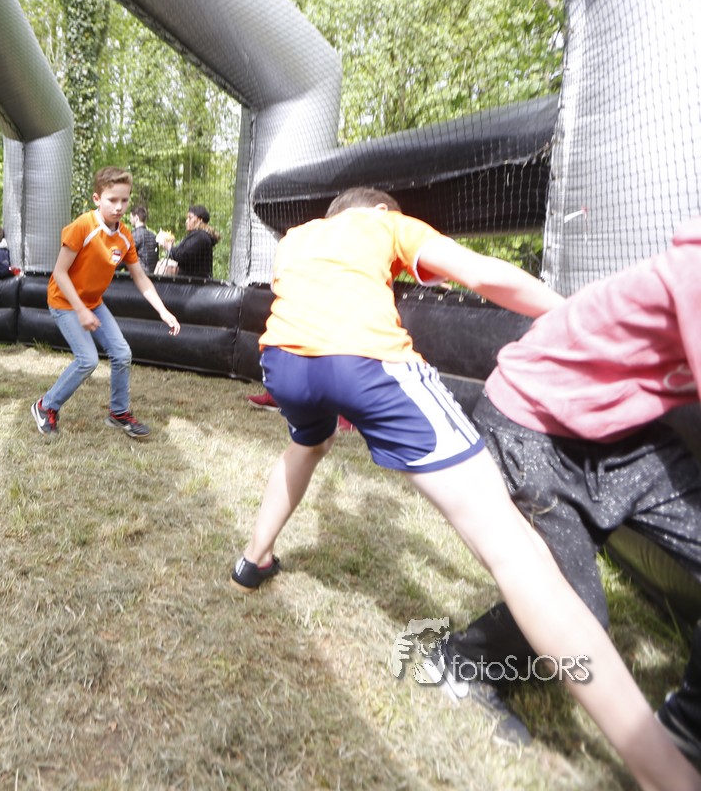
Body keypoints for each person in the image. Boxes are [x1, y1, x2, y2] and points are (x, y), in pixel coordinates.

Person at [229, 186, 700, 791]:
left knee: (307, 447)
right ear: (380, 211)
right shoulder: (386, 225)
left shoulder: (297, 239)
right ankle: (666, 773)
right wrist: (568, 313)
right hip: (366, 363)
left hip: (285, 362)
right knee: (514, 550)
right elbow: (482, 274)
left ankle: (253, 559)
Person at [422, 216, 701, 758]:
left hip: (621, 432)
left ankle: (687, 725)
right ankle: (464, 660)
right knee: (577, 616)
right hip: (532, 421)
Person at [32, 166, 181, 440]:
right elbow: (59, 273)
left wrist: (163, 311)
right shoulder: (82, 227)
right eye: (112, 200)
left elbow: (140, 278)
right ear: (97, 199)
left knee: (122, 354)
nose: (119, 206)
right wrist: (80, 310)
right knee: (87, 359)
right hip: (65, 301)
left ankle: (119, 413)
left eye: (124, 200)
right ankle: (46, 406)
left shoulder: (125, 235)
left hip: (93, 303)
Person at [168, 204, 219, 279]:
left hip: (194, 283)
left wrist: (169, 247)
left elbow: (182, 256)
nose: (186, 221)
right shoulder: (199, 236)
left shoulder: (200, 237)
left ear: (200, 220)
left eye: (190, 218)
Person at [129, 206, 157, 271]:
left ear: (136, 218)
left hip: (137, 273)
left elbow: (126, 254)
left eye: (131, 217)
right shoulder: (153, 236)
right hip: (152, 272)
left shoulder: (135, 235)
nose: (130, 220)